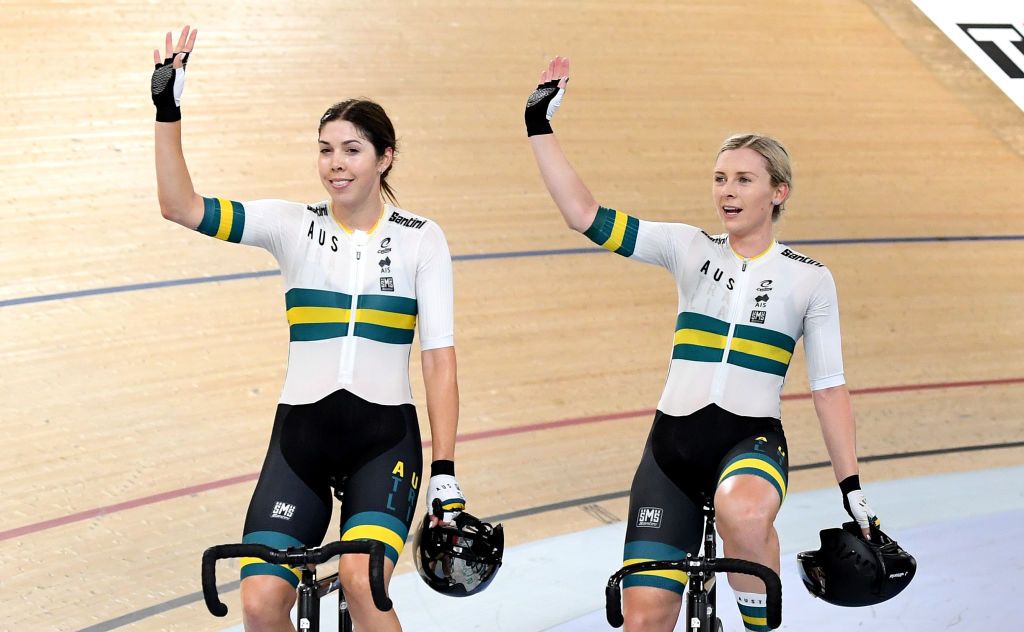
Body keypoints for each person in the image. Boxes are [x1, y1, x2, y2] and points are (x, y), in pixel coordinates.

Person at [524, 57, 881, 632]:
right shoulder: (688, 248)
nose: (727, 192)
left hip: (750, 444)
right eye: (720, 178)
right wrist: (538, 124)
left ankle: (758, 623)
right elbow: (583, 215)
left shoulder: (809, 277)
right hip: (672, 450)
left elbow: (829, 389)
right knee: (643, 622)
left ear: (778, 191)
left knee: (742, 513)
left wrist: (853, 488)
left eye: (743, 180)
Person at [152, 26, 467, 632]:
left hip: (384, 442)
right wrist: (168, 110)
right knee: (260, 598)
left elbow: (438, 359)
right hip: (301, 440)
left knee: (362, 578)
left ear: (385, 157)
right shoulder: (289, 224)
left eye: (351, 150)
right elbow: (180, 205)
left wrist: (446, 472)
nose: (335, 165)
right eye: (325, 150)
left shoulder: (421, 238)